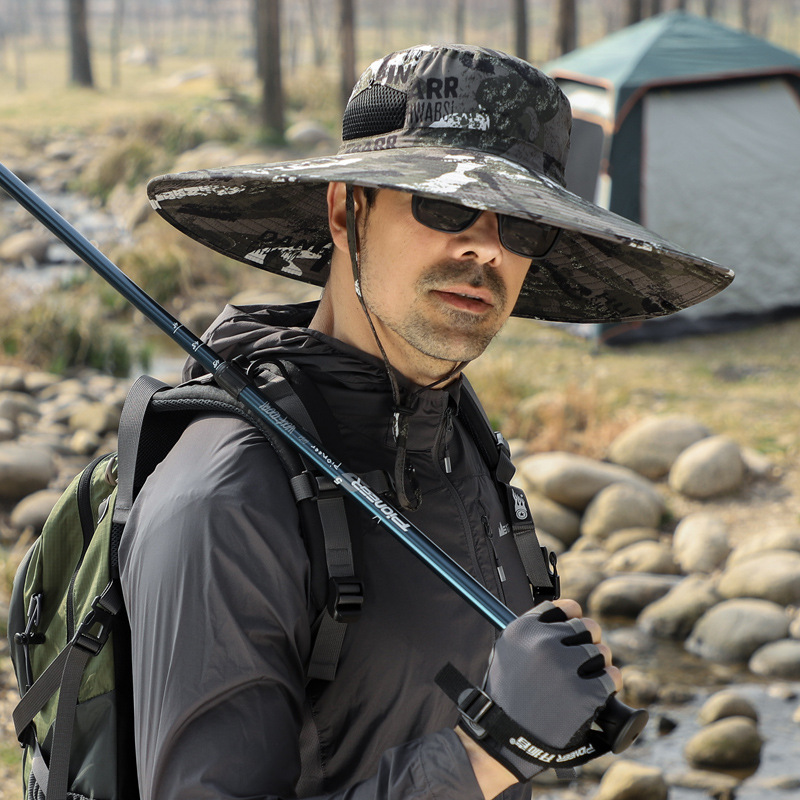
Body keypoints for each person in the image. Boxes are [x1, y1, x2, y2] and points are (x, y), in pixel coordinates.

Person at [123, 44, 733, 800]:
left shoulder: (459, 443)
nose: (486, 247)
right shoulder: (227, 501)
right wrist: (490, 752)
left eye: (523, 225)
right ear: (346, 211)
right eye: (445, 205)